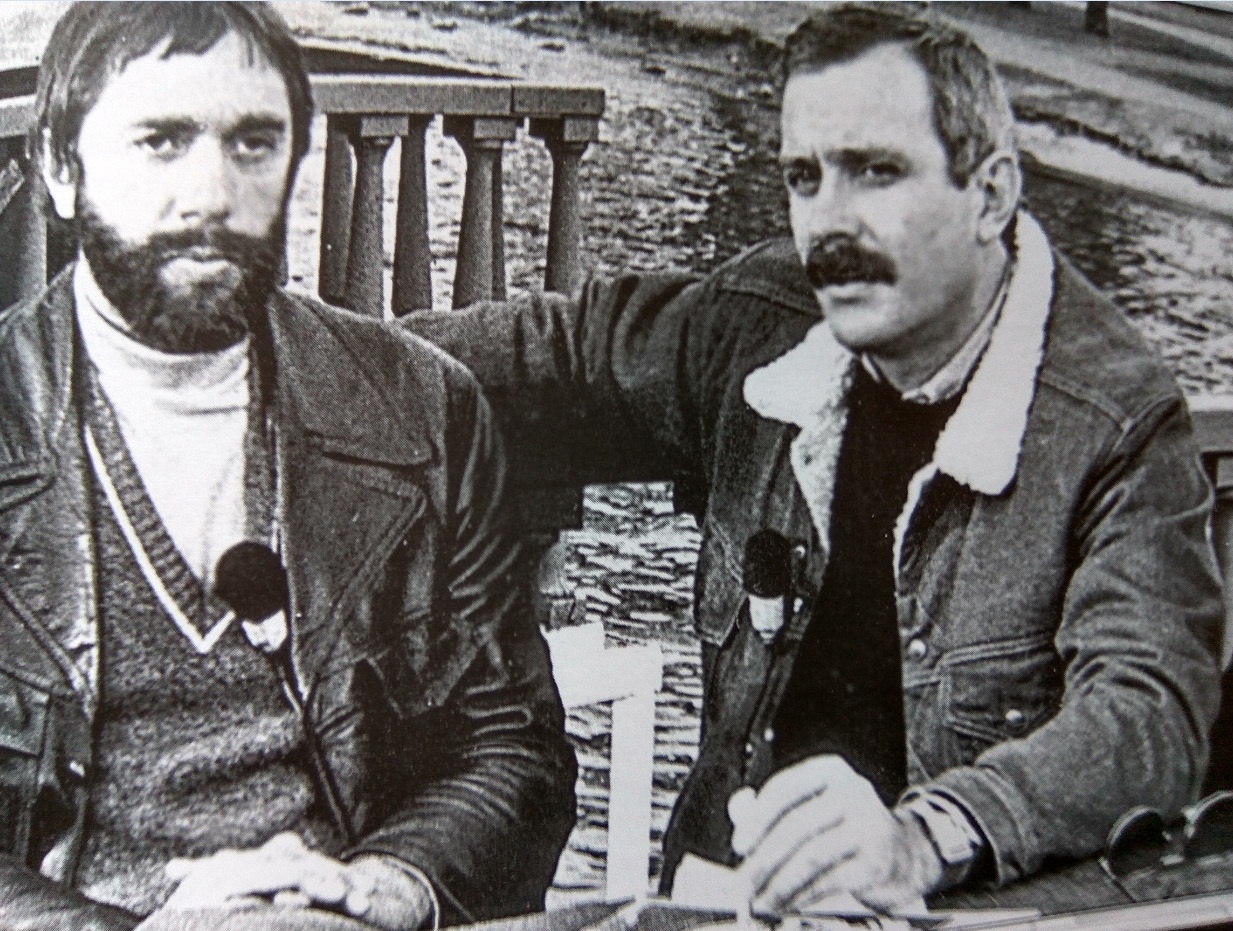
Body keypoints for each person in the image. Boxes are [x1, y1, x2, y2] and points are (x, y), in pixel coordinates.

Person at [408, 2, 1225, 917]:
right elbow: (559, 351)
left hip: (946, 912)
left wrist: (925, 838)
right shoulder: (763, 323)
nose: (827, 225)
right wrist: (309, 356)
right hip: (722, 901)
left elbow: (1145, 712)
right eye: (804, 177)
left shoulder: (1114, 416)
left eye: (876, 172)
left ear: (990, 194)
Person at [0, 4, 575, 930]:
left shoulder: (425, 406)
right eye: (160, 140)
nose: (212, 194)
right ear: (61, 169)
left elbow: (515, 749)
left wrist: (387, 884)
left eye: (253, 144)